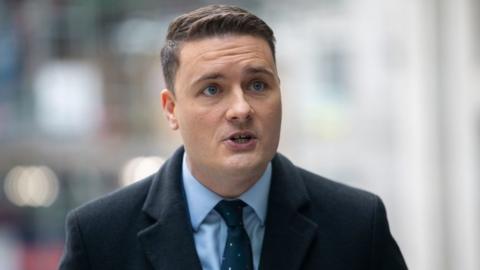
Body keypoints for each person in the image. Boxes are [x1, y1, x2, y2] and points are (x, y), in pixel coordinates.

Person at [59, 5, 408, 270]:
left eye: (258, 85)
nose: (241, 109)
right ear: (170, 109)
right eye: (212, 89)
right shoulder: (99, 237)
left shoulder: (358, 225)